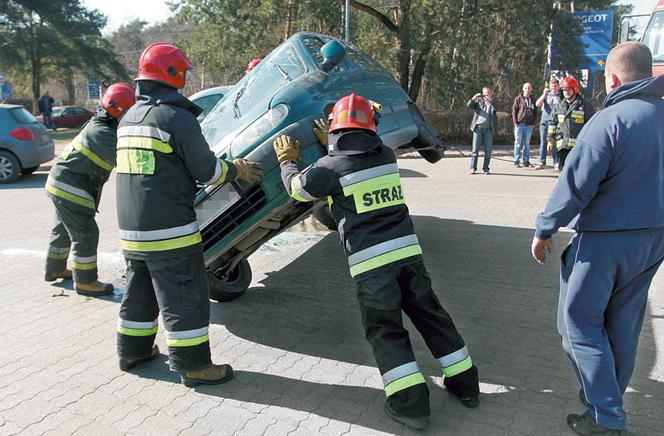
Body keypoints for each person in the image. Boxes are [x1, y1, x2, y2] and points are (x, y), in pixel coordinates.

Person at [273, 94, 480, 431]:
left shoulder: (329, 168)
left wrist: (287, 160)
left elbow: (299, 189)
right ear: (371, 126)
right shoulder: (385, 154)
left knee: (386, 331)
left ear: (335, 128)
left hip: (371, 266)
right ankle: (466, 385)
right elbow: (352, 161)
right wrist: (333, 147)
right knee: (432, 317)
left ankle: (411, 406)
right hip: (409, 256)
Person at [531, 42, 664, 436]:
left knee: (578, 323)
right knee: (623, 323)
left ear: (613, 77)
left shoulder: (610, 121)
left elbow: (574, 185)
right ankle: (607, 395)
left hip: (605, 239)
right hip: (653, 241)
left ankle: (606, 416)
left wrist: (544, 228)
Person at [115, 43, 263, 385]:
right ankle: (193, 365)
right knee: (185, 295)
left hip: (133, 233)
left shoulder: (129, 118)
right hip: (169, 231)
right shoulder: (175, 118)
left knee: (140, 292)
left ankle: (132, 351)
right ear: (174, 73)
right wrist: (235, 169)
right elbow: (208, 172)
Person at [45, 83, 136, 296]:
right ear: (120, 111)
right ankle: (86, 281)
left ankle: (54, 268)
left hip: (61, 183)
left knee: (62, 230)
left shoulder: (100, 124)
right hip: (71, 187)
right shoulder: (103, 134)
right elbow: (127, 158)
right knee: (85, 233)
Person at [546, 76, 594, 171]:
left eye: (568, 89)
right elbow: (552, 123)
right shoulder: (558, 107)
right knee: (564, 173)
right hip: (563, 147)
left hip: (578, 147)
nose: (566, 92)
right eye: (564, 90)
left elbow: (591, 125)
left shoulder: (584, 106)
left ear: (574, 90)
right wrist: (550, 139)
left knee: (578, 172)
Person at [467, 87, 498, 175]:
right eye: (485, 92)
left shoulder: (494, 101)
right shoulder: (479, 101)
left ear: (492, 93)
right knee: (475, 150)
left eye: (489, 92)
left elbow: (497, 108)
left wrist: (490, 101)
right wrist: (474, 98)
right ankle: (473, 168)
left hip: (489, 129)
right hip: (478, 128)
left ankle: (486, 168)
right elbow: (469, 105)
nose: (487, 93)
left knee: (488, 151)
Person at [534, 77, 562, 170]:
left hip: (556, 122)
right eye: (552, 85)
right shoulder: (546, 95)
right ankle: (541, 162)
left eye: (555, 86)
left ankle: (556, 163)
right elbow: (537, 104)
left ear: (558, 86)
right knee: (543, 142)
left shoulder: (561, 96)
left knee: (555, 143)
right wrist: (544, 94)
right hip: (545, 121)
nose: (553, 87)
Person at [512, 82, 537, 167]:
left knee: (527, 144)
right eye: (526, 88)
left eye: (529, 88)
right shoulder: (518, 99)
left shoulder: (533, 99)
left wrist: (534, 122)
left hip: (529, 125)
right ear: (523, 89)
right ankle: (516, 160)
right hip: (520, 124)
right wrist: (516, 122)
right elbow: (514, 111)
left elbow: (535, 112)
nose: (527, 89)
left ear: (531, 89)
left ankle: (526, 160)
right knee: (518, 143)